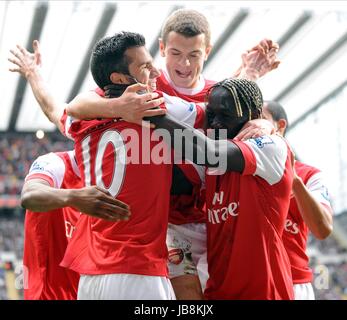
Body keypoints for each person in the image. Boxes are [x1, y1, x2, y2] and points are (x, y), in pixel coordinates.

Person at [61, 9, 280, 299]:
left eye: (194, 55)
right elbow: (76, 105)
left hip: (214, 219)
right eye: (176, 53)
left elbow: (236, 107)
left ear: (207, 52)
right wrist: (119, 108)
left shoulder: (216, 95)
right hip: (165, 227)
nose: (185, 64)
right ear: (162, 48)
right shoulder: (145, 90)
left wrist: (264, 121)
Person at [146, 78, 295, 299]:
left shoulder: (271, 147)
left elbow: (207, 152)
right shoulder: (215, 160)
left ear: (253, 114)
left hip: (266, 292)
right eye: (211, 115)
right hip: (218, 293)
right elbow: (176, 173)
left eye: (224, 115)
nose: (214, 123)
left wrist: (151, 113)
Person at [21, 150, 129, 299]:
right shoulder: (55, 163)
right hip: (48, 294)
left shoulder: (116, 179)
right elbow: (29, 196)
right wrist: (74, 197)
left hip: (89, 292)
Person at [262, 100, 334, 300]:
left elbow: (323, 229)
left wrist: (294, 182)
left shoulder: (310, 175)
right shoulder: (241, 168)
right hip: (247, 281)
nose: (253, 125)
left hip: (294, 284)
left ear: (280, 126)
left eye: (261, 119)